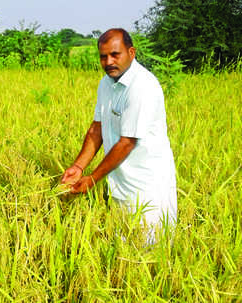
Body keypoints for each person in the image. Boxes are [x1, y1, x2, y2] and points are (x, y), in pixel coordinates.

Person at [61, 28, 177, 242]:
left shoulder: (142, 87)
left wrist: (92, 180)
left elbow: (126, 143)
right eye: (103, 56)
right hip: (119, 182)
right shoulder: (106, 84)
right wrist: (78, 168)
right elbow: (97, 128)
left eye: (115, 55)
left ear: (131, 53)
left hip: (147, 186)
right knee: (120, 246)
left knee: (149, 251)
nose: (108, 62)